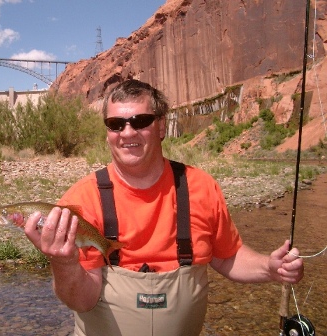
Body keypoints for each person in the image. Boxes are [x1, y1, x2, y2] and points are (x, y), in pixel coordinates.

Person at [24, 79, 304, 336]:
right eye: (116, 124)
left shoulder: (202, 187)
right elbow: (81, 301)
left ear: (160, 126)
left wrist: (269, 268)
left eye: (140, 121)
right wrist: (63, 262)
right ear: (108, 131)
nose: (127, 132)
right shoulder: (81, 201)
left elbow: (226, 257)